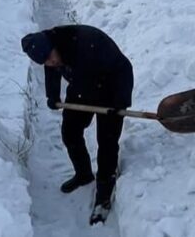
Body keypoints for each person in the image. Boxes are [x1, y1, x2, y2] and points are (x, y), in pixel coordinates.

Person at [21, 25, 133, 210]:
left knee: (106, 140)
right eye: (45, 62)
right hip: (84, 84)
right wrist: (53, 95)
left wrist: (118, 103)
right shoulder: (52, 49)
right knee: (70, 130)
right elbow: (53, 68)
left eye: (50, 57)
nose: (50, 62)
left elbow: (108, 75)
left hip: (113, 83)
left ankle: (104, 194)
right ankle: (84, 174)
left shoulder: (82, 45)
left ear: (53, 47)